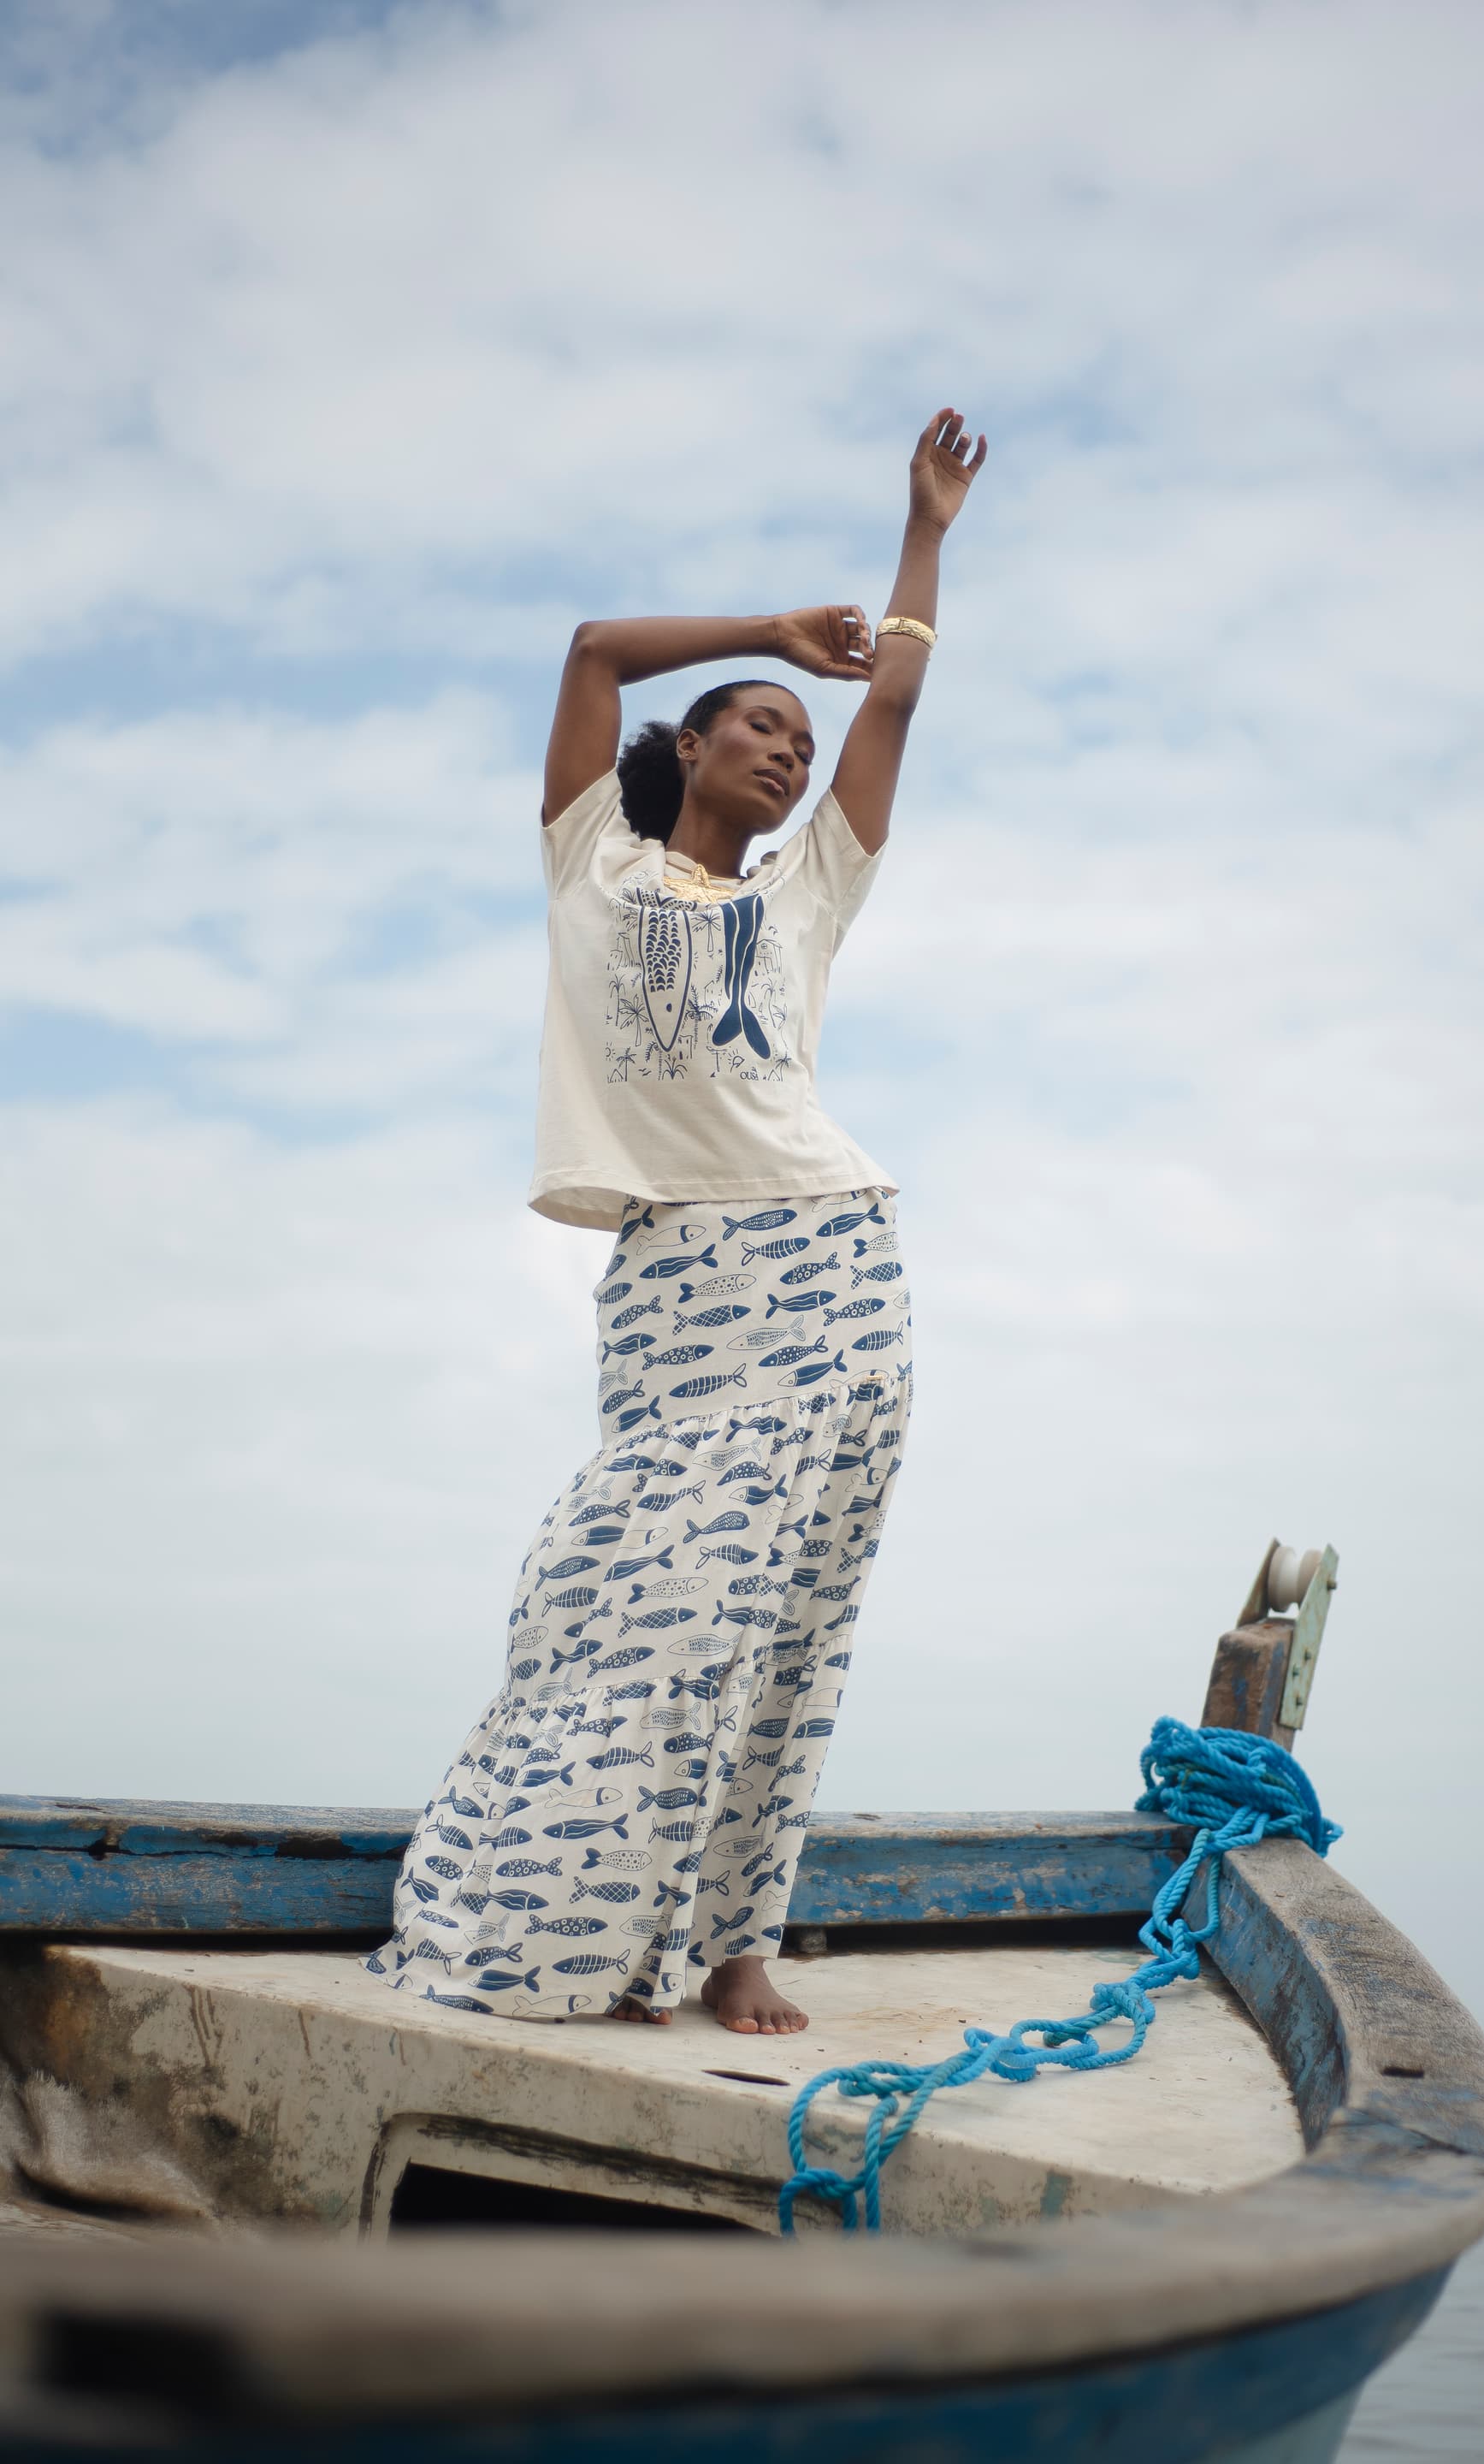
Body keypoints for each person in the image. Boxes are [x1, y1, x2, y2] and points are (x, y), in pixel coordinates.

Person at [365, 409, 986, 2035]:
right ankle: (574, 1910)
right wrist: (771, 628)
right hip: (671, 1276)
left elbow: (898, 702)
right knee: (621, 1596)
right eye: (760, 726)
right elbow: (589, 648)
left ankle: (732, 1945)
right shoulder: (591, 859)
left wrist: (921, 532)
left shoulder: (807, 894)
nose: (789, 748)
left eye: (799, 734)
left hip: (828, 1265)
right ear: (694, 747)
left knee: (786, 1616)